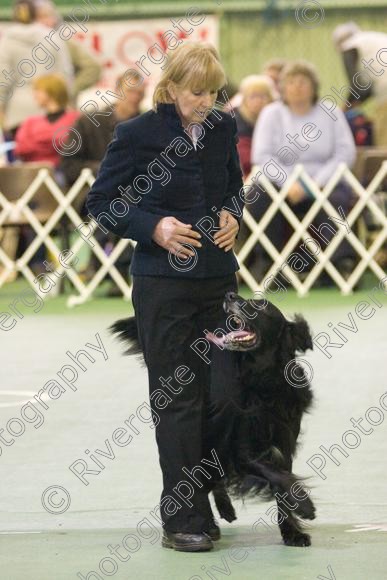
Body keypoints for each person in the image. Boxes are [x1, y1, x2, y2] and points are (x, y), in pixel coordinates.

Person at [87, 41, 244, 552]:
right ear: (172, 86)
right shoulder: (137, 134)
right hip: (163, 287)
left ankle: (209, 485)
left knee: (225, 395)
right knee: (178, 400)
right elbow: (101, 203)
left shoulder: (223, 127)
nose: (206, 102)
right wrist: (152, 227)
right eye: (197, 92)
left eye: (214, 93)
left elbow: (233, 185)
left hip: (219, 282)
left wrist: (232, 215)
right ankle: (184, 519)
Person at [250, 60, 356, 281]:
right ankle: (267, 261)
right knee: (257, 196)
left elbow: (345, 153)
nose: (297, 86)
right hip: (281, 185)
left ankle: (342, 263)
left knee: (338, 197)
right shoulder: (270, 114)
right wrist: (289, 183)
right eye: (291, 81)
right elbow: (261, 156)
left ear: (314, 86)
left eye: (303, 81)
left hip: (324, 182)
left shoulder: (330, 111)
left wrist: (314, 184)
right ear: (282, 88)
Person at [60, 72, 145, 295]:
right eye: (131, 92)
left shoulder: (149, 124)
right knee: (122, 204)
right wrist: (104, 170)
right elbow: (68, 165)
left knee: (129, 201)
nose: (136, 97)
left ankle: (112, 268)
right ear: (118, 92)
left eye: (140, 93)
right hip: (91, 194)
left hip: (133, 196)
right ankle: (111, 268)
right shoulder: (88, 122)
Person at [0, 0, 73, 136]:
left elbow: (3, 80)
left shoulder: (6, 41)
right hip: (51, 110)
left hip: (17, 113)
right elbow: (65, 75)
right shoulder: (53, 37)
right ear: (35, 14)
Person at [35, 0, 102, 102]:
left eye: (46, 16)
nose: (42, 22)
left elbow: (93, 68)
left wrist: (67, 90)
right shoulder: (24, 45)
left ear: (54, 19)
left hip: (61, 109)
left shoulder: (65, 43)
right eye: (37, 18)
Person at [332, 22, 387, 146]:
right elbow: (366, 89)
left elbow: (358, 87)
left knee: (383, 145)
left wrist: (344, 108)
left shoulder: (349, 46)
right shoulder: (374, 40)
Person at [14, 74, 80, 167]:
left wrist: (40, 142)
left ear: (51, 92)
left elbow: (77, 146)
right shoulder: (30, 121)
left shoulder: (77, 119)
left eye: (38, 91)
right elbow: (21, 149)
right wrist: (54, 143)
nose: (34, 95)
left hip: (65, 169)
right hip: (34, 171)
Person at [234, 75, 275, 177]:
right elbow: (244, 160)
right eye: (252, 96)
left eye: (262, 96)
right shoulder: (235, 120)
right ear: (244, 100)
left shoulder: (278, 118)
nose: (258, 101)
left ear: (271, 99)